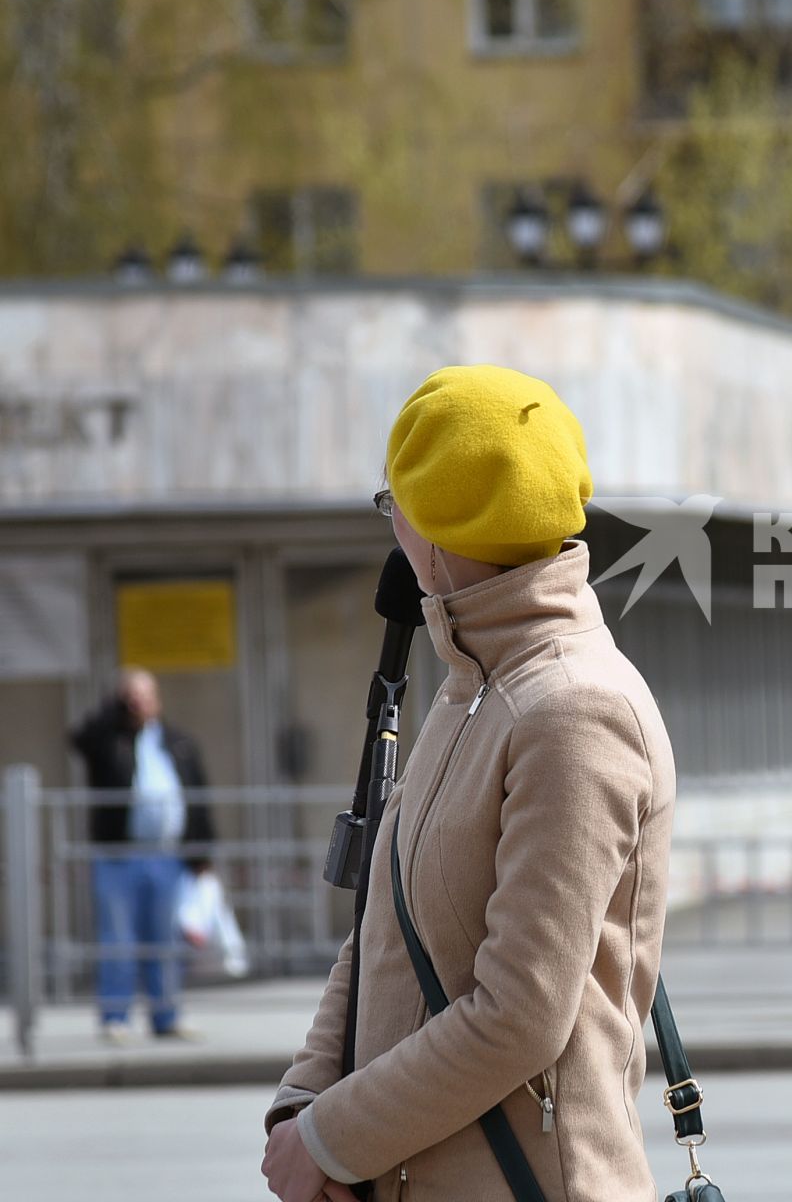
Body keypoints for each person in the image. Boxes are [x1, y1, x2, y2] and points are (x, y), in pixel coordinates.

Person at [260, 365, 677, 1202]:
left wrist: (334, 1138)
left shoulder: (572, 710)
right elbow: (381, 930)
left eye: (396, 505)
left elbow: (518, 1015)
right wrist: (305, 1105)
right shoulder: (474, 684)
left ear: (439, 535)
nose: (395, 531)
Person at [69, 667, 217, 1042]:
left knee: (163, 939)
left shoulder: (178, 741)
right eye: (131, 696)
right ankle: (115, 1016)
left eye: (145, 695)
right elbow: (80, 738)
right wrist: (115, 709)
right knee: (117, 938)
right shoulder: (109, 738)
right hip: (120, 855)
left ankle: (166, 1015)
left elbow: (198, 796)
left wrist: (201, 851)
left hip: (167, 856)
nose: (140, 703)